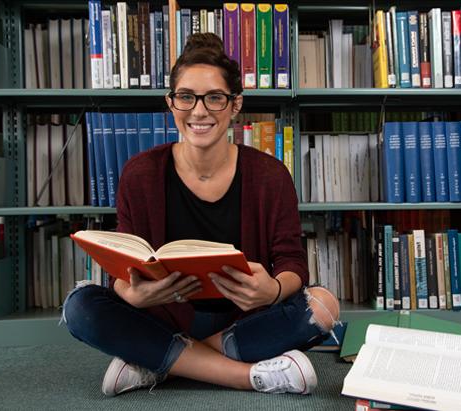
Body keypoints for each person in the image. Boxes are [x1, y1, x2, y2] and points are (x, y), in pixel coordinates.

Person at [62, 33, 340, 397]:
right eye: (186, 97)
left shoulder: (271, 175)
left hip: (244, 318)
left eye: (214, 98)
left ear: (235, 104)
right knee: (79, 307)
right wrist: (131, 296)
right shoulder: (140, 173)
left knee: (324, 306)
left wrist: (270, 290)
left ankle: (157, 360)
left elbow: (291, 262)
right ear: (171, 102)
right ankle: (248, 375)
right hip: (161, 314)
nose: (199, 111)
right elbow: (124, 260)